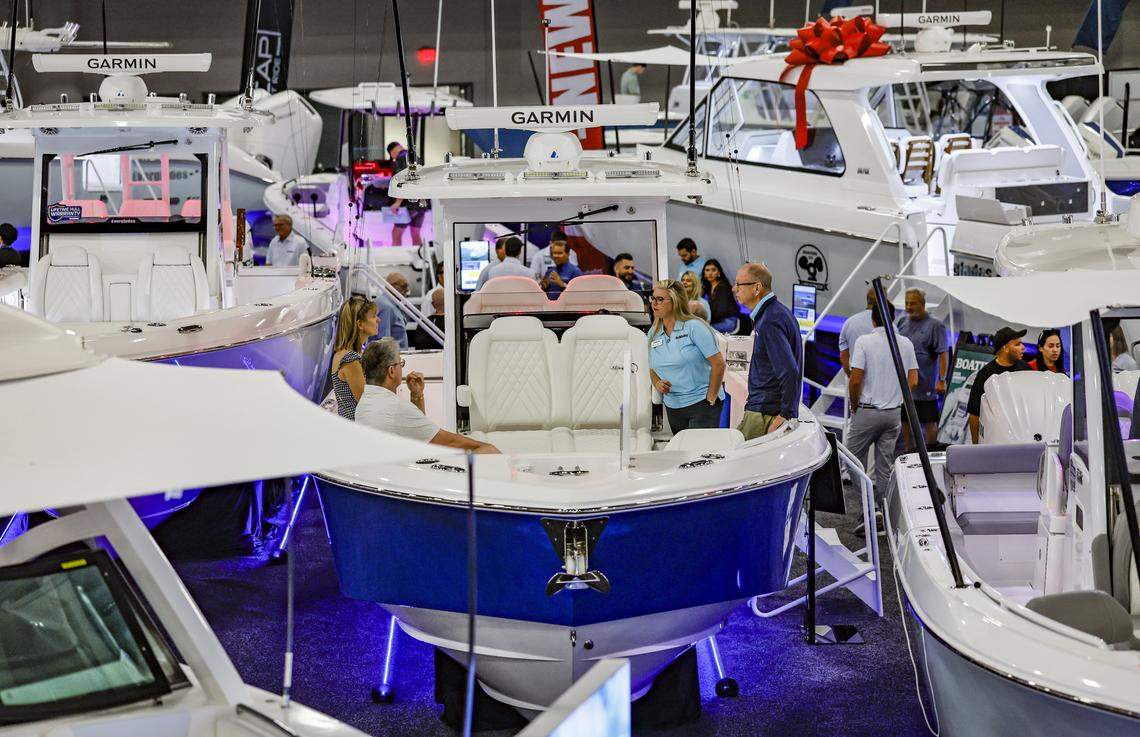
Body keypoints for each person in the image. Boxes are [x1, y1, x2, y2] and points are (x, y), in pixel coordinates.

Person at [356, 338, 499, 453]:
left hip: (387, 472)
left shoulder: (364, 403)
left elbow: (418, 431)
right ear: (391, 371)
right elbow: (449, 442)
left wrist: (417, 395)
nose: (402, 367)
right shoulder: (395, 408)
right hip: (405, 476)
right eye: (401, 363)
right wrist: (484, 447)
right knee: (489, 450)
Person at [848, 301, 919, 498]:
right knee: (884, 467)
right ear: (893, 318)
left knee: (850, 459)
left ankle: (866, 507)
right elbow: (913, 380)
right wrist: (896, 396)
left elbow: (855, 380)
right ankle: (883, 511)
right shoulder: (906, 343)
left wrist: (855, 407)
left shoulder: (864, 341)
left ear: (873, 320)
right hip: (893, 414)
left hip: (867, 411)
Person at [648, 280, 727, 432]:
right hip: (673, 406)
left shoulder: (694, 327)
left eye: (660, 299)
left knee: (697, 453)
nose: (654, 303)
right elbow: (652, 368)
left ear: (675, 302)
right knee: (683, 453)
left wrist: (710, 399)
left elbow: (719, 364)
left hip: (702, 403)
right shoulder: (653, 333)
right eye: (653, 298)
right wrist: (657, 383)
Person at [734, 263, 802, 439]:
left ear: (757, 288)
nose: (735, 289)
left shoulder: (770, 320)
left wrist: (786, 413)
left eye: (739, 284)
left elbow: (789, 370)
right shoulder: (779, 313)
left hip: (763, 414)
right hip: (765, 410)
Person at [895, 288, 949, 448]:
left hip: (926, 386)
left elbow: (943, 353)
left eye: (913, 303)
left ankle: (930, 452)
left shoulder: (936, 326)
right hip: (905, 385)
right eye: (906, 303)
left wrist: (941, 379)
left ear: (923, 304)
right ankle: (908, 450)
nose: (908, 306)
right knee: (905, 420)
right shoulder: (902, 322)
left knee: (929, 421)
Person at [967, 327, 1030, 444]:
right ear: (1005, 348)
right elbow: (974, 414)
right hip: (997, 439)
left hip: (1024, 437)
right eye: (1018, 344)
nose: (1023, 348)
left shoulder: (1026, 369)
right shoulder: (985, 374)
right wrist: (976, 446)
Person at [330, 296, 380, 421]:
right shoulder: (350, 359)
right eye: (373, 316)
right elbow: (366, 404)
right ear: (360, 324)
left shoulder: (346, 354)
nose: (378, 320)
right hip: (357, 429)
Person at [386, 142, 427, 246]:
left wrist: (397, 203)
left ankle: (396, 261)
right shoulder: (415, 157)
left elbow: (402, 181)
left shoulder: (400, 158)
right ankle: (420, 261)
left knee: (396, 233)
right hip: (421, 202)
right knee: (415, 233)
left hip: (410, 203)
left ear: (392, 152)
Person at [839, 288, 877, 375]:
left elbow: (843, 354)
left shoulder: (849, 322)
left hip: (854, 377)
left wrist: (850, 375)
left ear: (867, 300)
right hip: (877, 380)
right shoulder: (890, 327)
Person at [701, 258, 739, 334]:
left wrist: (706, 321)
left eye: (713, 270)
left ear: (719, 273)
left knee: (702, 330)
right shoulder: (707, 288)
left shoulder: (723, 287)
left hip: (729, 321)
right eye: (707, 270)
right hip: (716, 321)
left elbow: (721, 311)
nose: (710, 273)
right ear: (704, 274)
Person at [374, 272, 410, 349]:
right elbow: (384, 342)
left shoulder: (389, 304)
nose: (407, 290)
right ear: (392, 286)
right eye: (404, 286)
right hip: (392, 358)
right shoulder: (387, 307)